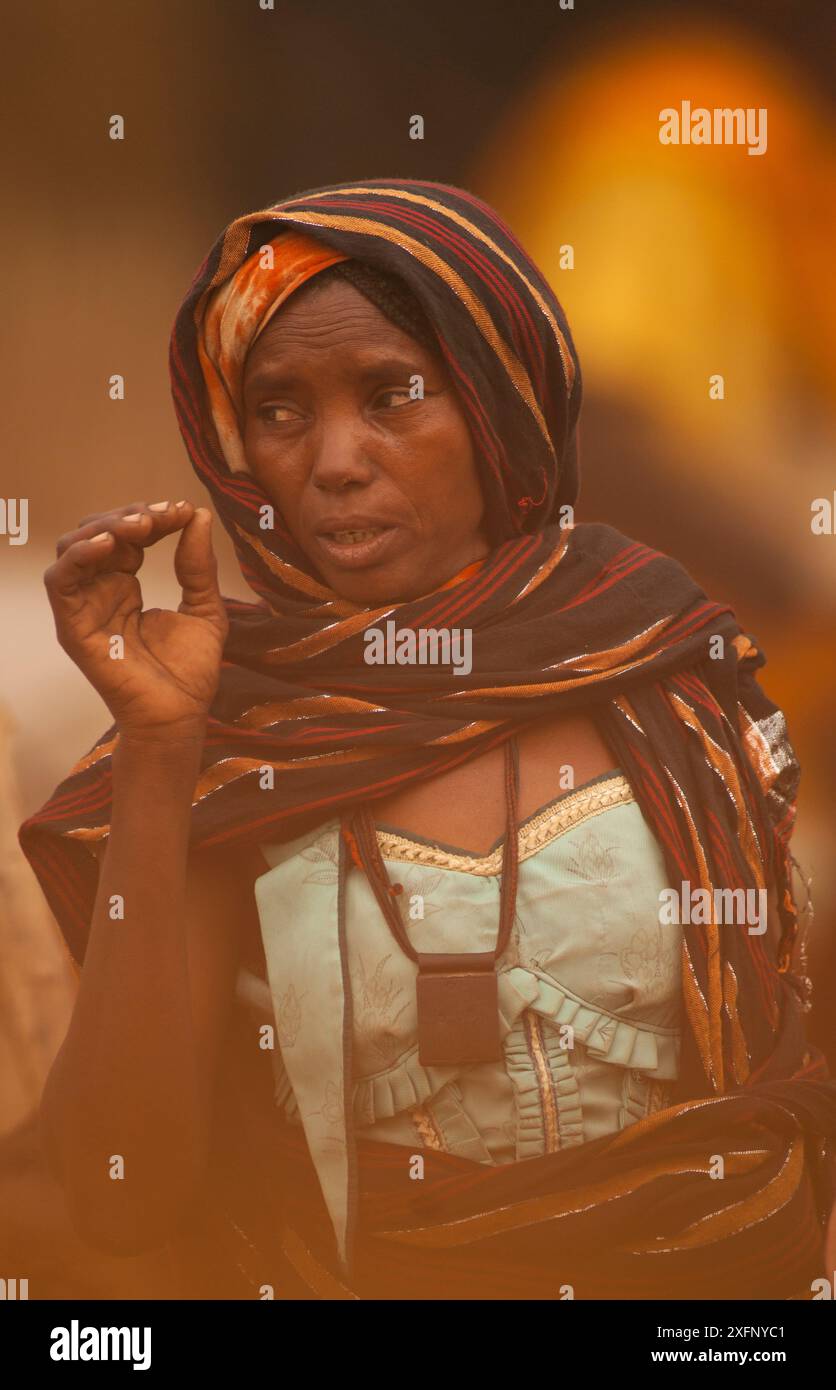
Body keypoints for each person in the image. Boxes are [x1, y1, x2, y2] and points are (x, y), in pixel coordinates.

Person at [22, 177, 836, 1301]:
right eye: (280, 410)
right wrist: (163, 750)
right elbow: (122, 1194)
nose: (335, 459)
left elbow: (777, 1103)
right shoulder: (237, 738)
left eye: (392, 393)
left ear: (499, 406)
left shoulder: (665, 676)